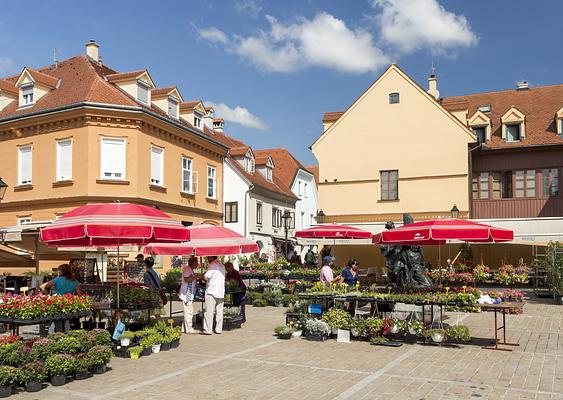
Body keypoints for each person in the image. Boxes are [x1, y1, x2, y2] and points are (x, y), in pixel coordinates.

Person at [202, 256, 226, 335]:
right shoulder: (222, 265)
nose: (207, 259)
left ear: (212, 258)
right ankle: (218, 329)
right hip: (221, 291)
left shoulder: (212, 265)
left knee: (209, 311)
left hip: (212, 291)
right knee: (219, 311)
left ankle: (208, 330)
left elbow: (206, 278)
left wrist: (202, 275)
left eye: (208, 258)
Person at [179, 257, 198, 334]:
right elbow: (187, 279)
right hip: (187, 293)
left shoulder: (189, 269)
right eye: (196, 262)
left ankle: (185, 328)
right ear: (192, 263)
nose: (197, 264)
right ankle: (189, 328)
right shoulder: (187, 269)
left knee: (187, 311)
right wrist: (196, 277)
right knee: (189, 311)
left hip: (188, 293)